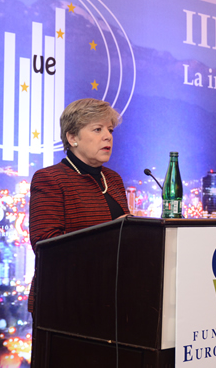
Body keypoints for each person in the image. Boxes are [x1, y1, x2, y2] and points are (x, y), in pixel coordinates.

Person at [28, 98, 130, 313]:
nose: (107, 136)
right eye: (97, 129)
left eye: (110, 130)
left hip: (115, 296)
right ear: (72, 137)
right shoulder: (49, 178)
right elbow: (45, 244)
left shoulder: (113, 180)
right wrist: (111, 235)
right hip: (66, 301)